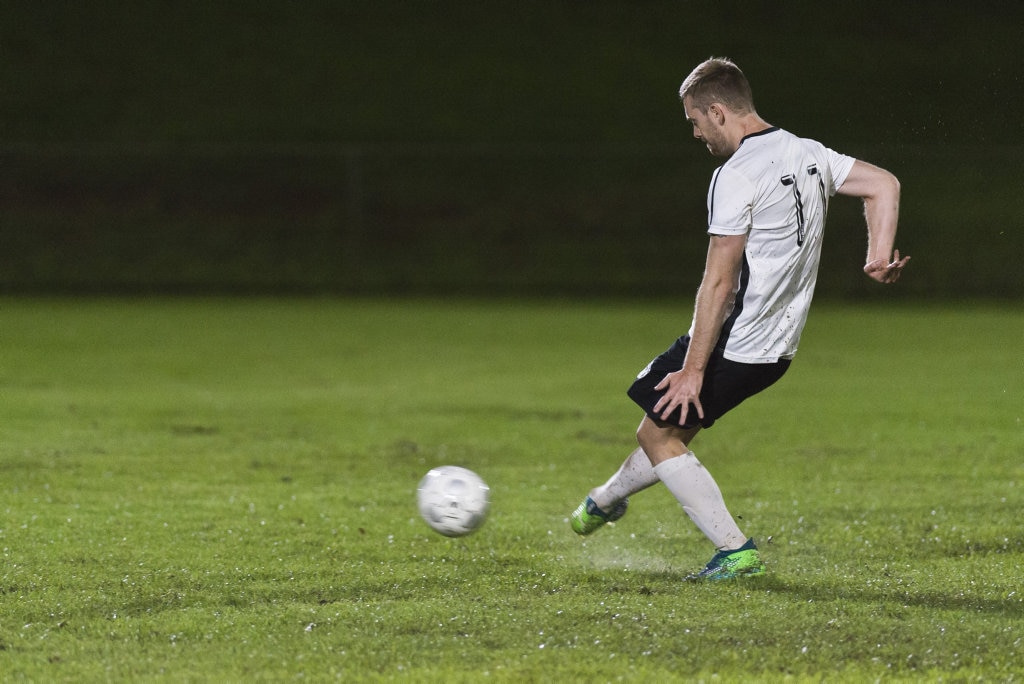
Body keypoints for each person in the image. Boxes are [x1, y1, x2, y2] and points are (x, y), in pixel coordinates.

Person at [569, 57, 910, 581]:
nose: (696, 133)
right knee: (663, 431)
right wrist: (877, 255)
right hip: (778, 347)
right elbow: (883, 183)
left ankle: (735, 552)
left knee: (662, 436)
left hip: (739, 339)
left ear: (718, 111)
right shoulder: (808, 152)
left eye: (695, 121)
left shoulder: (735, 175)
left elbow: (719, 283)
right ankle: (605, 500)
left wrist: (694, 369)